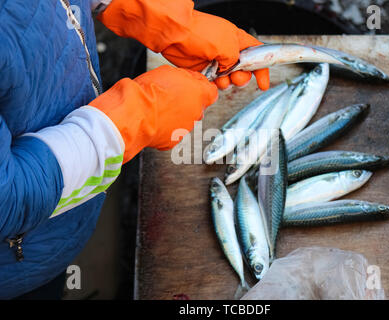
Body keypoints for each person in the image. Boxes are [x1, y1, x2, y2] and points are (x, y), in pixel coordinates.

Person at [0, 0, 269, 299]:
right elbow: (5, 200)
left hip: (57, 229)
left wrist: (139, 8)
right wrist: (129, 122)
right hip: (18, 267)